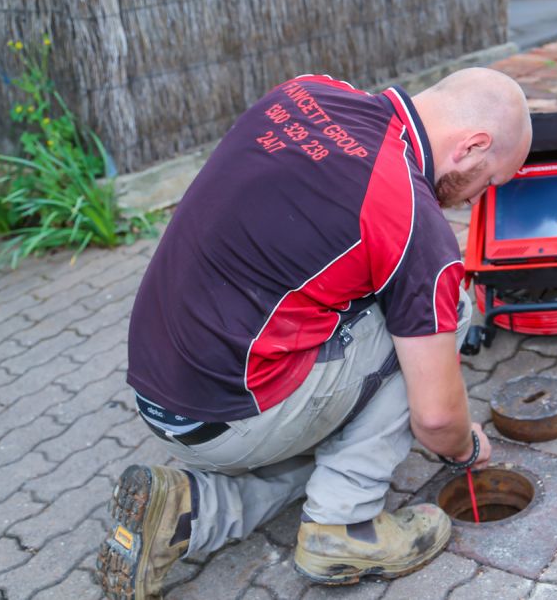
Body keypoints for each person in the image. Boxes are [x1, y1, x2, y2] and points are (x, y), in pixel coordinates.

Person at [95, 67, 532, 599]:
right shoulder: (413, 223)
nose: (476, 199)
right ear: (472, 145)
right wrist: (464, 449)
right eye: (491, 180)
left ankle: (188, 510)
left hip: (164, 394)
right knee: (445, 308)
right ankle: (343, 528)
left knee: (332, 437)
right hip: (235, 409)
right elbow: (437, 419)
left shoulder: (305, 91)